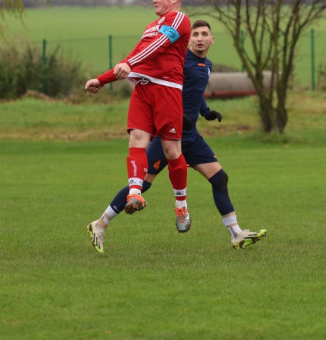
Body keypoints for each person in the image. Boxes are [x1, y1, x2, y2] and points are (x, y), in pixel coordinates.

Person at [88, 19, 267, 252]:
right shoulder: (179, 62)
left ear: (212, 40)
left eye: (205, 34)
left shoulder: (207, 65)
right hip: (168, 137)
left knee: (220, 179)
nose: (200, 38)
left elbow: (194, 93)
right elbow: (166, 91)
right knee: (142, 186)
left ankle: (236, 233)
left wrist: (206, 112)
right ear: (189, 39)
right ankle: (100, 224)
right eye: (196, 34)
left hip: (191, 136)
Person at [84, 0, 192, 231]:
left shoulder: (178, 19)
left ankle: (181, 205)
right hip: (143, 91)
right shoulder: (150, 26)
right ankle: (135, 193)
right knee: (136, 140)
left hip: (166, 91)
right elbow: (134, 55)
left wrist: (130, 63)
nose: (154, 0)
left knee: (172, 151)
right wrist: (101, 80)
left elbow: (159, 46)